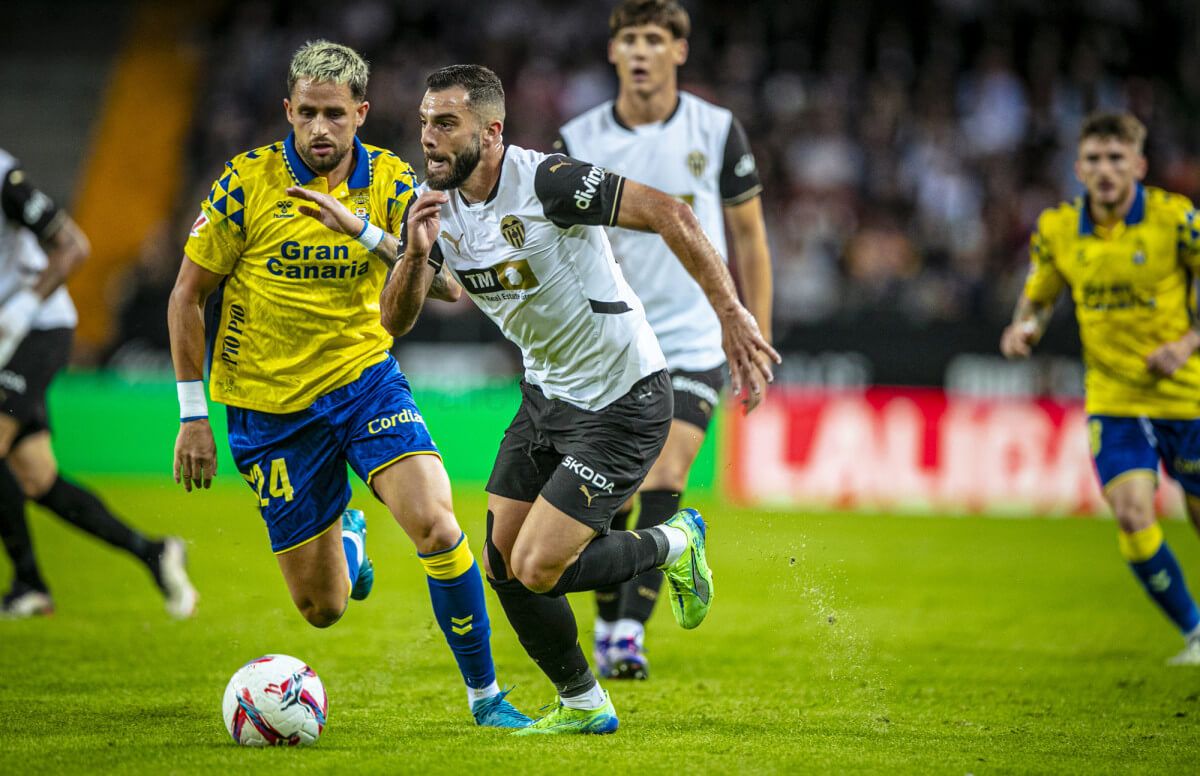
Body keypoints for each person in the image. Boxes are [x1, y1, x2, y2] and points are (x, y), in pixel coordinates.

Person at [289, 63, 779, 734]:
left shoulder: (548, 182)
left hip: (623, 399)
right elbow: (400, 318)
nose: (427, 138)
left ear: (490, 132)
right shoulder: (432, 204)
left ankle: (674, 541)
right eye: (425, 122)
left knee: (539, 566)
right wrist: (410, 251)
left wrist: (732, 314)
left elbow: (671, 212)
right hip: (546, 400)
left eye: (446, 124)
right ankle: (583, 702)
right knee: (501, 564)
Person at [166, 41, 528, 727]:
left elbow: (447, 285)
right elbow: (187, 297)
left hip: (365, 385)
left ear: (361, 112)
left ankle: (487, 700)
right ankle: (349, 538)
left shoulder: (391, 184)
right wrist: (192, 418)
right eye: (307, 113)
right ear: (288, 111)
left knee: (439, 525)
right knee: (323, 609)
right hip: (267, 410)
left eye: (335, 113)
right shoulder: (245, 183)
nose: (321, 129)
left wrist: (368, 235)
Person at [556, 0, 773, 680]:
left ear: (679, 50)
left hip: (692, 337)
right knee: (612, 495)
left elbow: (750, 240)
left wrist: (752, 333)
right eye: (630, 39)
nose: (642, 51)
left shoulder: (717, 129)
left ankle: (625, 635)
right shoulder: (577, 136)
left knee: (667, 472)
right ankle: (613, 616)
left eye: (656, 38)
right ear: (613, 52)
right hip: (609, 342)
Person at [1001, 111, 1200, 666]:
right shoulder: (1058, 229)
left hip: (1188, 397)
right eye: (1094, 159)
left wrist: (1185, 346)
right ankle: (1196, 632)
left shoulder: (1176, 220)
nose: (1105, 170)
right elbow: (1040, 295)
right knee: (1134, 513)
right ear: (1078, 168)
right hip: (1114, 400)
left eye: (1117, 158)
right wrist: (1026, 327)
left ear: (1138, 164)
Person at [0, 148, 196, 619]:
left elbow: (73, 246)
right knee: (35, 476)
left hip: (34, 324)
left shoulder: (4, 177)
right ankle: (152, 552)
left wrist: (22, 307)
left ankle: (29, 584)